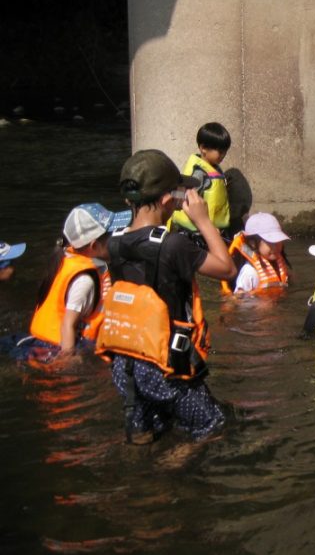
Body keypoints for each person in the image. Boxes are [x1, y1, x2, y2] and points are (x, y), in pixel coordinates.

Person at [95, 148, 236, 444]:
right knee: (212, 428)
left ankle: (141, 485)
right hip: (165, 365)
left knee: (145, 434)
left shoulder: (114, 244)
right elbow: (226, 268)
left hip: (126, 364)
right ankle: (167, 470)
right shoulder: (173, 245)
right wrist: (203, 220)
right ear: (165, 199)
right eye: (178, 192)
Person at [11, 204, 129, 362]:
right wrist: (68, 358)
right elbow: (68, 323)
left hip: (40, 341)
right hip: (53, 350)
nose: (116, 238)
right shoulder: (85, 280)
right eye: (112, 235)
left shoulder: (65, 257)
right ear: (94, 245)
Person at [170, 122, 232, 242]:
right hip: (197, 233)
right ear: (203, 148)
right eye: (220, 151)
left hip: (210, 230)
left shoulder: (213, 169)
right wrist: (204, 227)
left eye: (225, 151)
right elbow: (185, 201)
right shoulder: (199, 173)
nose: (223, 155)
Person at [221, 212, 290, 295]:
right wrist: (257, 302)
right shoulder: (250, 272)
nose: (276, 247)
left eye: (278, 241)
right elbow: (238, 298)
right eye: (270, 242)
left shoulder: (277, 261)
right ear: (252, 243)